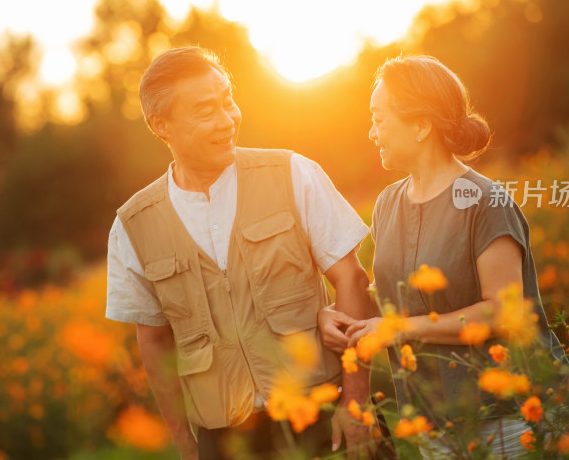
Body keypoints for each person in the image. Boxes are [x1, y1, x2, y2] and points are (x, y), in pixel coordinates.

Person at [106, 47, 378, 459]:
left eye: (227, 99)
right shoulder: (133, 225)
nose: (226, 119)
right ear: (161, 125)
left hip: (323, 415)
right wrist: (184, 443)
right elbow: (155, 342)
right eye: (204, 111)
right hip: (226, 440)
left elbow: (351, 279)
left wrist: (356, 401)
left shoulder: (293, 173)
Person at [319, 55, 567, 458]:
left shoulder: (486, 201)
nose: (371, 132)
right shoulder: (387, 204)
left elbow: (504, 312)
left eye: (379, 119)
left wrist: (399, 329)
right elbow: (393, 292)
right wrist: (333, 312)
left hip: (509, 418)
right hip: (436, 421)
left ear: (420, 125)